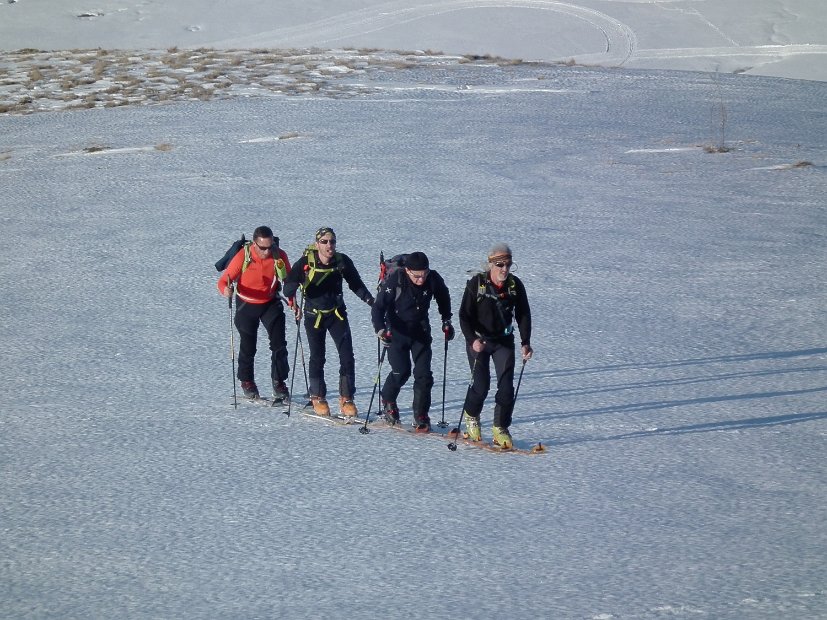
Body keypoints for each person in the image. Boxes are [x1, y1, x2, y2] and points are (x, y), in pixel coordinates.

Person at [282, 227, 374, 417]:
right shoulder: (305, 263)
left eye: (332, 241)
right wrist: (293, 288)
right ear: (317, 245)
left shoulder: (342, 261)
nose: (329, 245)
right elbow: (288, 288)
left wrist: (371, 301)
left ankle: (347, 398)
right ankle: (317, 396)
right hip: (313, 316)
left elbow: (356, 284)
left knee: (347, 355)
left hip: (336, 314)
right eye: (324, 242)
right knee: (318, 356)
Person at [458, 243, 532, 449]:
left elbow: (523, 314)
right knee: (481, 386)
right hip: (479, 341)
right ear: (491, 264)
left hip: (503, 341)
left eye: (508, 265)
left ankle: (501, 427)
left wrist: (525, 342)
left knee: (506, 387)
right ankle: (472, 415)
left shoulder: (515, 285)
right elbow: (464, 315)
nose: (504, 269)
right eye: (500, 265)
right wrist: (472, 338)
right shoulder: (477, 283)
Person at [372, 252, 453, 433]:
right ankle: (388, 400)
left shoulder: (433, 278)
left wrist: (446, 320)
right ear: (407, 271)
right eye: (417, 275)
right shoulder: (396, 280)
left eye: (424, 274)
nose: (421, 279)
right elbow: (378, 307)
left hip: (421, 332)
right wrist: (380, 330)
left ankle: (421, 415)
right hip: (397, 332)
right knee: (401, 372)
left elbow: (443, 296)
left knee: (424, 375)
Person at [217, 226, 292, 401]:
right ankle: (247, 381)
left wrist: (292, 302)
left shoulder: (279, 255)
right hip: (246, 304)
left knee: (279, 344)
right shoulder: (244, 256)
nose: (267, 251)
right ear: (255, 245)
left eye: (270, 246)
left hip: (270, 302)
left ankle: (279, 382)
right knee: (248, 345)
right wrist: (225, 290)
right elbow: (223, 281)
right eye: (263, 248)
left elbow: (288, 281)